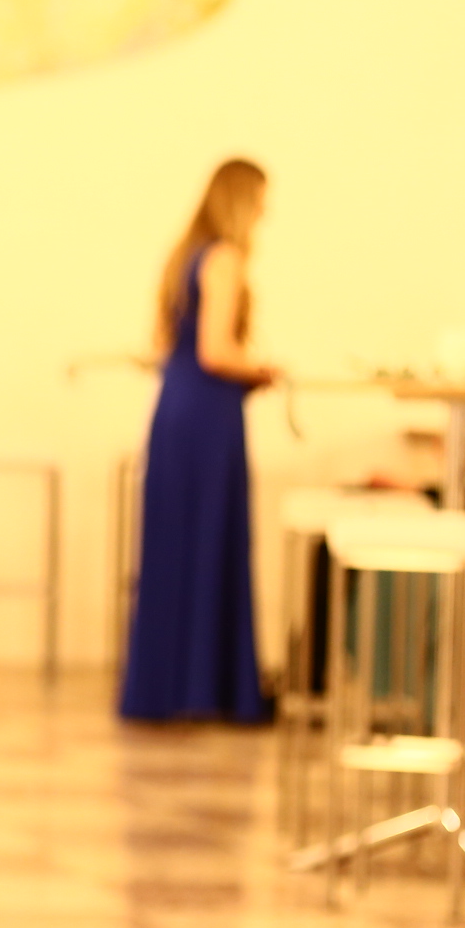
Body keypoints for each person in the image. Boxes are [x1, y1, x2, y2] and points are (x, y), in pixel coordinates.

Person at [120, 156, 276, 724]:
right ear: (242, 200)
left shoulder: (183, 255)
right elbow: (216, 351)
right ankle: (211, 690)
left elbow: (168, 345)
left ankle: (167, 689)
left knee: (174, 549)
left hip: (175, 409)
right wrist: (263, 370)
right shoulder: (225, 257)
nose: (265, 213)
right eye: (260, 201)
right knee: (210, 543)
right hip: (208, 417)